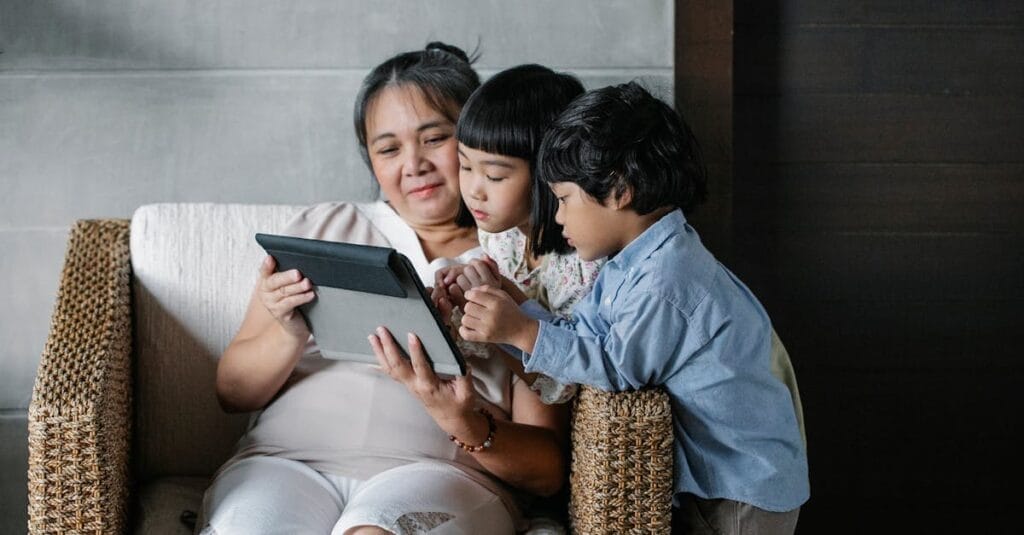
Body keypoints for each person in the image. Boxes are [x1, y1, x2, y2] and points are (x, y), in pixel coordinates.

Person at [199, 43, 567, 535]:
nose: (412, 164)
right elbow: (232, 392)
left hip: (439, 473)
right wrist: (288, 332)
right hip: (284, 464)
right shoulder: (323, 228)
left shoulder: (521, 264)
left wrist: (463, 422)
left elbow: (546, 473)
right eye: (389, 149)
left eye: (435, 139)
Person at [456, 82, 810, 534]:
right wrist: (516, 307)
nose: (557, 217)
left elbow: (615, 368)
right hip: (715, 476)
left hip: (742, 485)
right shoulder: (632, 262)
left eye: (563, 199)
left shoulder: (668, 278)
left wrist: (522, 332)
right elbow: (583, 332)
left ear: (620, 190)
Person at [432, 64, 598, 405]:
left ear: (547, 174)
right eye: (464, 166)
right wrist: (467, 299)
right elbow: (500, 342)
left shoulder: (585, 264)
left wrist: (505, 300)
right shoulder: (500, 238)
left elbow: (570, 385)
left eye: (494, 176)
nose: (474, 190)